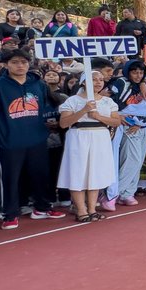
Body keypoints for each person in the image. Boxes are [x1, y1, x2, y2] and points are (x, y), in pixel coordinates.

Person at [0, 51, 66, 230]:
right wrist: (3, 131)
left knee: (40, 175)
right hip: (9, 141)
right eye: (15, 62)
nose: (20, 66)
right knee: (10, 179)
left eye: (23, 62)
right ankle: (9, 214)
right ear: (7, 65)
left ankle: (42, 208)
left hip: (37, 139)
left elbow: (43, 107)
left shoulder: (38, 84)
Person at [57, 71, 122, 222]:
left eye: (101, 79)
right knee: (77, 172)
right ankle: (81, 210)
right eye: (94, 80)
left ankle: (92, 209)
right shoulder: (73, 101)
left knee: (96, 173)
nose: (98, 82)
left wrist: (98, 116)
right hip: (79, 136)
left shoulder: (108, 102)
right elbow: (64, 123)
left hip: (100, 137)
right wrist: (84, 110)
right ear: (84, 82)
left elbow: (116, 122)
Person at [110, 59, 146, 206]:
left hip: (143, 128)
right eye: (134, 72)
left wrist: (143, 83)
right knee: (131, 160)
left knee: (138, 161)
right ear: (127, 71)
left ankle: (128, 193)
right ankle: (114, 193)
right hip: (127, 127)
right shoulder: (120, 83)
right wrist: (133, 121)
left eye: (141, 72)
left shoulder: (144, 85)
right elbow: (117, 106)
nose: (138, 75)